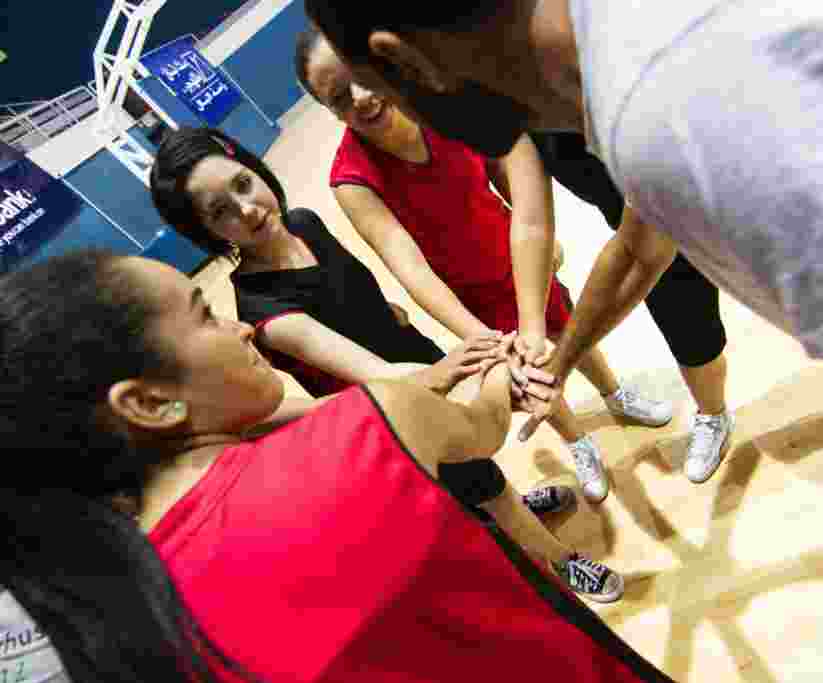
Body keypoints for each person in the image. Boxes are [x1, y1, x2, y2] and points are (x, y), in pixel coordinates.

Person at [304, 0, 823, 677]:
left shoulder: (669, 120)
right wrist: (558, 354)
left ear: (405, 63)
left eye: (377, 88)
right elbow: (638, 251)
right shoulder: (627, 60)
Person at [0, 248, 675, 680]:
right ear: (150, 402)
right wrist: (500, 364)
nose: (239, 329)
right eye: (204, 316)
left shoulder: (128, 619)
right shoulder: (358, 434)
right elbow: (486, 424)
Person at [149, 127, 622, 601]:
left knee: (476, 467)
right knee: (479, 481)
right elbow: (388, 377)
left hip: (414, 357)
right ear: (204, 232)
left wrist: (400, 322)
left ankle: (509, 515)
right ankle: (560, 562)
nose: (247, 210)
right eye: (221, 213)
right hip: (388, 407)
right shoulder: (266, 312)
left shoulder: (304, 223)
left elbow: (368, 298)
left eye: (242, 185)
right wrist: (499, 367)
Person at [295, 29, 674, 505]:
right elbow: (412, 270)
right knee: (525, 363)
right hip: (464, 292)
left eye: (359, 78)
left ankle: (614, 394)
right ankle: (577, 442)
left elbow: (508, 176)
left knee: (565, 325)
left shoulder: (441, 106)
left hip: (514, 253)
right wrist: (486, 342)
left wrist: (539, 235)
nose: (361, 98)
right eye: (338, 97)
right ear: (328, 111)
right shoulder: (352, 179)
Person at [528, 131, 823, 479]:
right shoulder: (520, 116)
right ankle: (713, 415)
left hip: (731, 201)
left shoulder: (627, 99)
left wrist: (560, 362)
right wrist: (544, 351)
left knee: (802, 309)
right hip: (641, 228)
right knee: (689, 334)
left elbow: (637, 249)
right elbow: (535, 223)